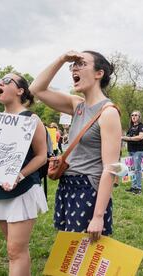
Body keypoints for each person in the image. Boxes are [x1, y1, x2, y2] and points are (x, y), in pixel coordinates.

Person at [29, 50, 121, 241]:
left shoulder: (108, 112)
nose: (75, 68)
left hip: (87, 190)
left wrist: (97, 216)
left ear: (99, 73)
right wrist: (62, 59)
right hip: (67, 186)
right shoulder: (76, 104)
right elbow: (36, 89)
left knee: (84, 258)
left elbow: (111, 168)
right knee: (70, 254)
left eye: (82, 64)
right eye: (74, 65)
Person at [0, 73, 48, 276]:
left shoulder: (31, 119)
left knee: (15, 251)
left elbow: (42, 156)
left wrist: (19, 176)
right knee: (13, 250)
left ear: (20, 90)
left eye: (6, 81)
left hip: (22, 189)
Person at [122, 110, 143, 195]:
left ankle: (138, 188)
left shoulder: (141, 126)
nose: (134, 116)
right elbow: (126, 137)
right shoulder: (131, 127)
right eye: (132, 115)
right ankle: (133, 187)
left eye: (136, 115)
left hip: (138, 151)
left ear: (139, 117)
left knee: (137, 170)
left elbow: (140, 137)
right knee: (132, 170)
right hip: (130, 150)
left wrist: (129, 138)